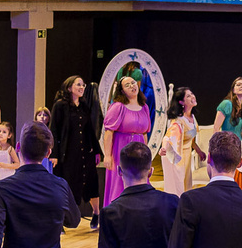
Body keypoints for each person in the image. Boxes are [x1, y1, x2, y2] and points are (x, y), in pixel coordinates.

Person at [49, 75, 102, 227]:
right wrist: (54, 154)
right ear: (69, 87)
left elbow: (90, 130)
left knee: (91, 183)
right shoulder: (60, 105)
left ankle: (96, 213)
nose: (82, 87)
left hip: (86, 152)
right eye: (78, 84)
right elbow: (54, 130)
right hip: (69, 153)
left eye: (83, 85)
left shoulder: (84, 106)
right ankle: (63, 219)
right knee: (68, 184)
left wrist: (97, 151)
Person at [100, 76, 152, 208]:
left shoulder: (144, 107)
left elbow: (144, 133)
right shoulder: (118, 107)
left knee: (140, 181)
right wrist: (107, 155)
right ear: (122, 91)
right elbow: (109, 132)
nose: (132, 86)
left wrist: (147, 155)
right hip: (121, 149)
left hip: (139, 151)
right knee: (120, 182)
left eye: (133, 83)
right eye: (127, 85)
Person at [161, 87, 205, 196]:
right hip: (178, 155)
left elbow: (190, 139)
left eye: (192, 94)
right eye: (188, 96)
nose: (192, 97)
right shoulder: (178, 121)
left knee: (186, 184)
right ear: (181, 102)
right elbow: (169, 136)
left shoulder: (192, 117)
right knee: (178, 185)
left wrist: (198, 151)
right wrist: (164, 148)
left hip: (187, 155)